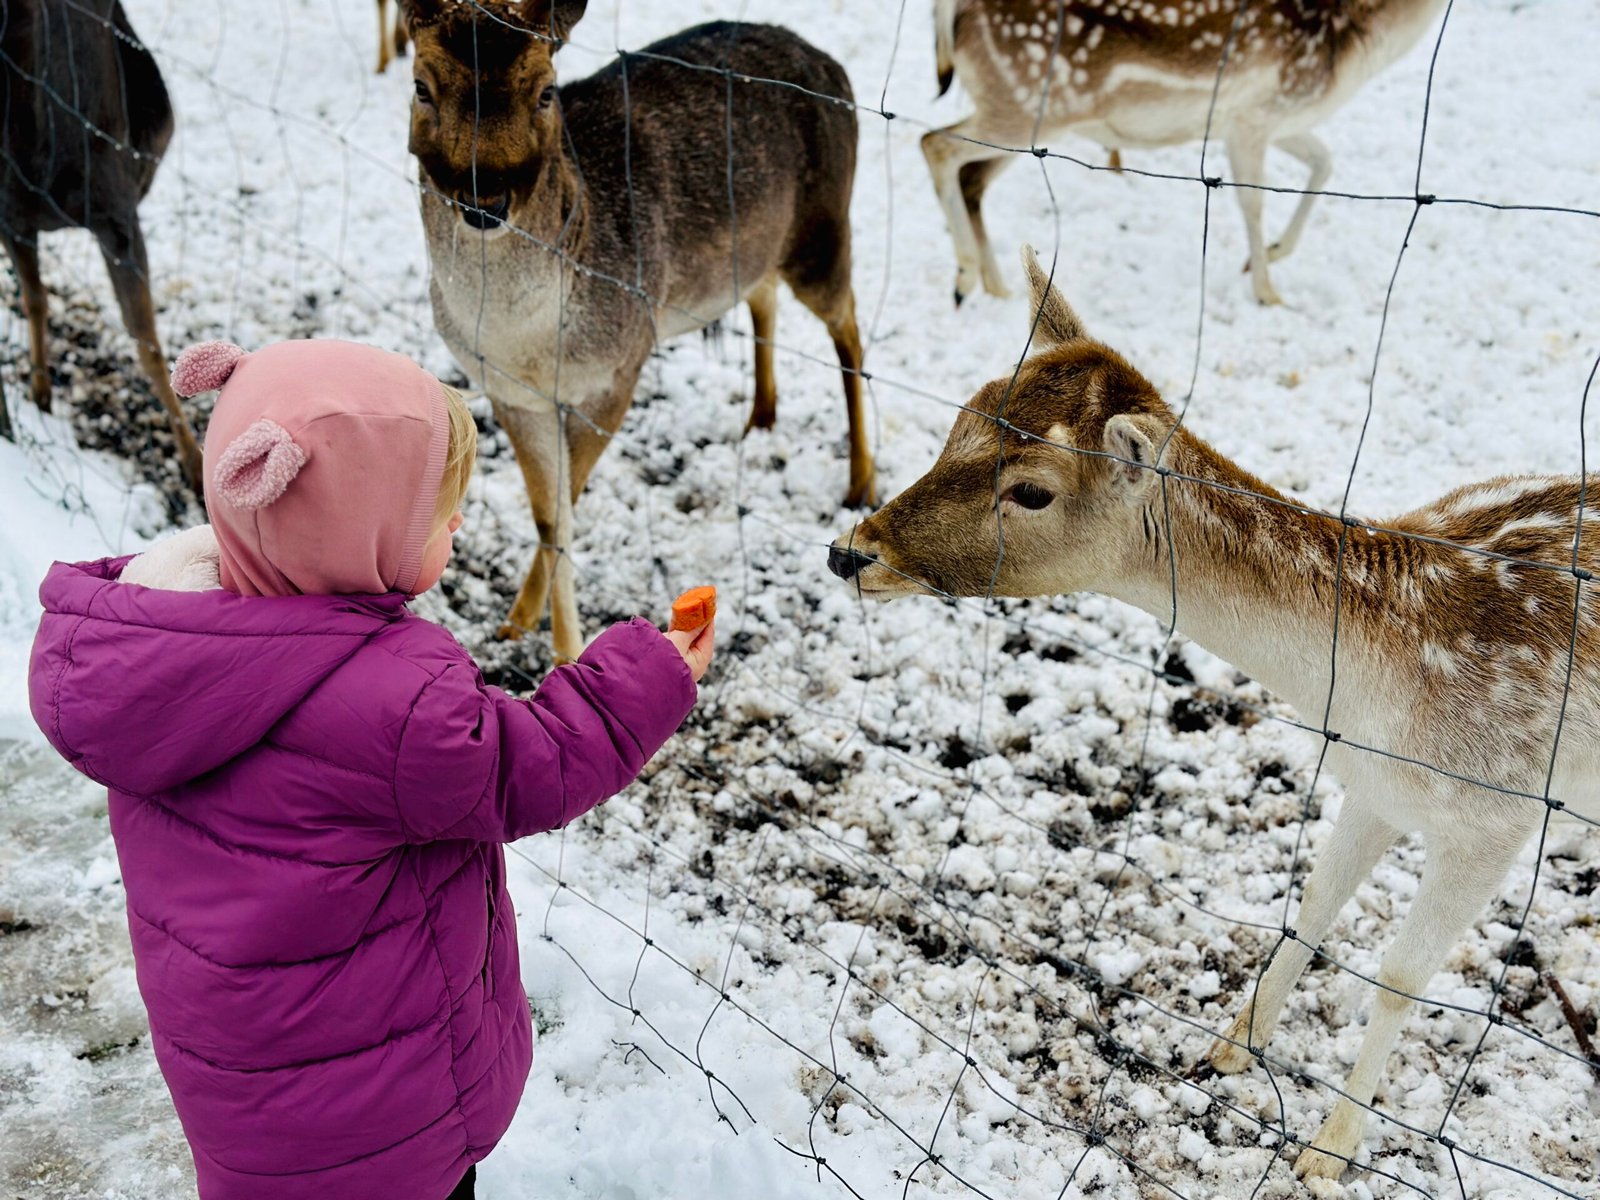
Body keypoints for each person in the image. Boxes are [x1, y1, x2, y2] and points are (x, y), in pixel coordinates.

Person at [28, 339, 714, 1199]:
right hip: (384, 1124)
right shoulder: (388, 700)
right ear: (353, 531)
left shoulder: (161, 653)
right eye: (435, 516)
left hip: (245, 1103)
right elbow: (532, 763)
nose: (454, 528)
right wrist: (651, 675)